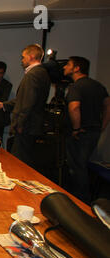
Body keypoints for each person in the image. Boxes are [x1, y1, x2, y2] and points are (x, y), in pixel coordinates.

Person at [0, 44, 50, 169]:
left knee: (19, 163)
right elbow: (23, 99)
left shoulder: (33, 74)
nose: (22, 60)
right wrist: (4, 105)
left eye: (23, 57)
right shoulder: (42, 73)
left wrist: (20, 123)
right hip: (32, 126)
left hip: (26, 126)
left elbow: (27, 103)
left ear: (31, 56)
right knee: (24, 161)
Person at [63, 56, 110, 203]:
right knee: (83, 166)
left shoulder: (76, 87)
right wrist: (102, 126)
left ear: (76, 68)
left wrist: (76, 129)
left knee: (77, 168)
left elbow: (74, 107)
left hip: (80, 134)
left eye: (68, 64)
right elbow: (108, 105)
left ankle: (79, 203)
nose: (65, 67)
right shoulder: (98, 86)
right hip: (94, 132)